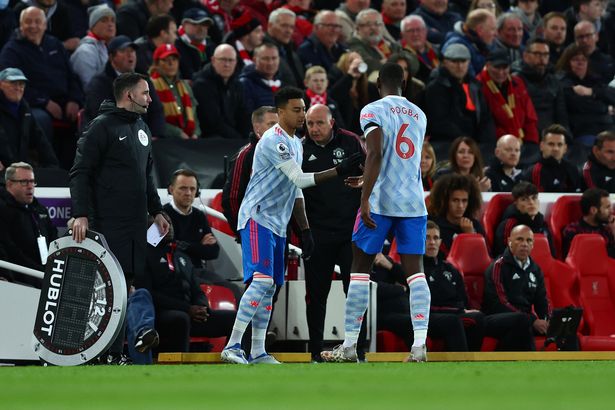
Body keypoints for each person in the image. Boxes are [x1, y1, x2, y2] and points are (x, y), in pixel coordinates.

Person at [220, 87, 362, 365]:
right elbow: (300, 180)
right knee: (261, 282)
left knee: (270, 287)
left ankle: (258, 351)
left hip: (277, 225)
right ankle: (233, 345)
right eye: (297, 110)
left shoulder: (296, 143)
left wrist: (305, 229)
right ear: (281, 112)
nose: (302, 114)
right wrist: (338, 170)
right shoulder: (275, 141)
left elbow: (295, 192)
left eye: (303, 108)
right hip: (257, 218)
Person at [320, 63, 431, 363]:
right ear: (404, 84)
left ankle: (349, 345)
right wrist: (368, 179)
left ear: (378, 82)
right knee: (416, 273)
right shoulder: (419, 115)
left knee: (358, 269)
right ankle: (419, 345)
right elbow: (403, 159)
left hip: (381, 203)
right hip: (413, 203)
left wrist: (365, 195)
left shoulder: (372, 110)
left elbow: (377, 153)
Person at [69, 72, 170, 363]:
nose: (150, 99)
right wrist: (81, 214)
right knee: (102, 291)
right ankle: (89, 353)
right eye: (145, 93)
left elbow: (146, 177)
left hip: (135, 225)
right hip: (107, 223)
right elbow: (80, 172)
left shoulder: (142, 128)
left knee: (124, 289)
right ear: (129, 96)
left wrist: (157, 210)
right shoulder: (101, 127)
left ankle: (115, 354)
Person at [301, 103, 365, 363]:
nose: (314, 129)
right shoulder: (300, 147)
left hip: (349, 231)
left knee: (355, 293)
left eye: (319, 123)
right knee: (316, 294)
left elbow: (368, 174)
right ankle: (315, 351)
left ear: (331, 122)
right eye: (310, 124)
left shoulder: (350, 142)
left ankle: (356, 349)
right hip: (317, 232)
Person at [135, 214, 235, 353]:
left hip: (191, 313)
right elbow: (148, 294)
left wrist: (202, 306)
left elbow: (196, 288)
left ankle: (237, 358)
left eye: (169, 223)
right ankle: (178, 367)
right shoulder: (144, 257)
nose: (168, 227)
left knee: (235, 318)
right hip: (161, 315)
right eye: (161, 224)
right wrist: (187, 308)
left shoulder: (181, 255)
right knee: (180, 319)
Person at [0, 6, 83, 143]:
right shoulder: (11, 50)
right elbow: (11, 85)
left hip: (64, 101)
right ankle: (45, 162)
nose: (33, 26)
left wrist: (74, 99)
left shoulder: (55, 44)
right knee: (40, 119)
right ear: (20, 25)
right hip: (33, 104)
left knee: (90, 117)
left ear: (45, 25)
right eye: (28, 21)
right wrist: (44, 102)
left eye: (38, 21)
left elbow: (72, 76)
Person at [483, 225, 550, 351]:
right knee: (522, 322)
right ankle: (532, 367)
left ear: (533, 245)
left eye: (529, 240)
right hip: (495, 318)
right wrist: (532, 320)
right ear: (509, 242)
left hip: (523, 319)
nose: (524, 244)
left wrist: (548, 320)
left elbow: (542, 300)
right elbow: (499, 303)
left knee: (566, 330)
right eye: (519, 239)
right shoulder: (498, 266)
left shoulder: (535, 269)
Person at [85, 35, 166, 138]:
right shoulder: (100, 83)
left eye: (132, 51)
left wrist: (156, 135)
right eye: (123, 51)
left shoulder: (144, 80)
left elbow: (156, 110)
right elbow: (102, 117)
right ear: (111, 57)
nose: (130, 55)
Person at [423, 220, 485, 351]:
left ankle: (473, 361)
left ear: (440, 242)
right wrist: (459, 311)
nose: (432, 242)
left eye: (435, 238)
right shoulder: (416, 268)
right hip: (427, 317)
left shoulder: (451, 269)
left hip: (453, 313)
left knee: (478, 317)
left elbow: (462, 300)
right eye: (427, 238)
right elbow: (429, 305)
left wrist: (463, 310)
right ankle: (462, 363)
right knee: (452, 321)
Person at [221, 106, 279, 238]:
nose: (277, 129)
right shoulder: (246, 155)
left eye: (279, 124)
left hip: (280, 230)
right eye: (271, 124)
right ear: (257, 127)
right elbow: (232, 198)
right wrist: (242, 230)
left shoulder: (284, 153)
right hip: (256, 231)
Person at [424, 43, 495, 143]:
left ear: (469, 62)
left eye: (463, 61)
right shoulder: (436, 87)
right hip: (447, 144)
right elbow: (440, 122)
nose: (460, 66)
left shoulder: (475, 86)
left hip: (474, 145)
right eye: (454, 61)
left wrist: (484, 142)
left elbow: (485, 118)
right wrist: (466, 141)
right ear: (444, 62)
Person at [0, 162, 57, 287]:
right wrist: (39, 272)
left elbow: (54, 238)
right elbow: (11, 251)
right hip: (19, 277)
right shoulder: (3, 210)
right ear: (9, 184)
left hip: (44, 274)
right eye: (24, 182)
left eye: (32, 181)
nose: (30, 186)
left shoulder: (40, 209)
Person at [556, 44, 615, 146]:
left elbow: (611, 94)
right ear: (567, 62)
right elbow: (579, 106)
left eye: (584, 59)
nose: (580, 63)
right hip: (584, 131)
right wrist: (604, 106)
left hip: (607, 128)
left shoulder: (594, 80)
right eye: (575, 59)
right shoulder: (563, 83)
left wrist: (591, 92)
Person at [477, 48, 539, 146]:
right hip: (496, 144)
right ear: (488, 65)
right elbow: (486, 123)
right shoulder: (478, 86)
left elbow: (530, 116)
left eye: (505, 67)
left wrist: (532, 142)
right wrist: (509, 142)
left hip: (523, 143)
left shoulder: (518, 83)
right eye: (497, 67)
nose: (501, 72)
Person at [0, 67, 58, 170]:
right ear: (1, 84)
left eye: (21, 84)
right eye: (13, 83)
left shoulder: (24, 109)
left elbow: (41, 140)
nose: (18, 88)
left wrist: (52, 166)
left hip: (17, 170)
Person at [512, 37, 570, 135]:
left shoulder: (554, 82)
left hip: (550, 135)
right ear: (525, 56)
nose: (542, 58)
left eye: (545, 55)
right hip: (525, 135)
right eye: (537, 54)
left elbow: (561, 115)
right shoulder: (515, 80)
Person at [192, 44, 250, 139]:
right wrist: (238, 140)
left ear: (235, 62)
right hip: (210, 139)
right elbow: (213, 123)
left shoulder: (237, 85)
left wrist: (247, 138)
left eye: (230, 60)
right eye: (223, 60)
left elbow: (244, 115)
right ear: (213, 61)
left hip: (233, 137)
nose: (227, 64)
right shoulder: (201, 85)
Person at [149, 43, 200, 140]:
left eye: (174, 59)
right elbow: (152, 117)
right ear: (156, 64)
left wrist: (195, 133)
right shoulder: (150, 85)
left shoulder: (185, 85)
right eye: (165, 60)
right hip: (165, 142)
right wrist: (177, 133)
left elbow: (194, 114)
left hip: (189, 141)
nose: (171, 63)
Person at [428, 173, 486, 256]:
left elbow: (483, 257)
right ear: (445, 201)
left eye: (464, 201)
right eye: (455, 200)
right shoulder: (434, 225)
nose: (460, 206)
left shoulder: (475, 226)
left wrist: (471, 235)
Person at [493, 181, 552, 256]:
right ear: (516, 204)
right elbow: (504, 257)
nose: (531, 202)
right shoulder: (508, 226)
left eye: (534, 198)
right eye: (524, 199)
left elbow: (552, 256)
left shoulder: (543, 224)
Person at [329, 51, 380, 135]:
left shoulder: (370, 88)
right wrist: (349, 76)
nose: (356, 65)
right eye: (351, 61)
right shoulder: (336, 82)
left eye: (359, 62)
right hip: (342, 134)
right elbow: (333, 97)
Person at [522, 124, 581, 192]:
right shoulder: (532, 172)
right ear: (541, 146)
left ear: (565, 148)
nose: (556, 148)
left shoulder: (573, 169)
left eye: (559, 144)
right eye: (551, 144)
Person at [69, 4, 116, 90]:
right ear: (93, 25)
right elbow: (90, 88)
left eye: (113, 20)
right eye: (104, 20)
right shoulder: (85, 52)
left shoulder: (106, 47)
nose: (110, 24)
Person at [441, 9, 497, 77]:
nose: (496, 34)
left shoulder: (483, 44)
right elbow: (469, 82)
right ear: (480, 30)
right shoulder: (457, 46)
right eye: (493, 29)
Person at [348, 9, 402, 77]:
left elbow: (403, 58)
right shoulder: (354, 43)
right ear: (358, 28)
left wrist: (384, 62)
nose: (373, 28)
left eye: (377, 24)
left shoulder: (386, 42)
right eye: (368, 24)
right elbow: (368, 65)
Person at [562, 188, 615, 258]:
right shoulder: (573, 231)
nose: (611, 211)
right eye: (607, 207)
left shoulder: (608, 230)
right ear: (593, 210)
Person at [264, 8, 305, 88]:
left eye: (291, 27)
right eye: (284, 26)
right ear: (270, 25)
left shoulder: (291, 52)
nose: (289, 31)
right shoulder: (262, 51)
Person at [298, 10, 348, 74]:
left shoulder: (343, 49)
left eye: (337, 26)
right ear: (316, 28)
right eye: (330, 26)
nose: (334, 30)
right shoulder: (306, 50)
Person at [239, 42, 282, 115]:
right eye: (265, 58)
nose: (270, 63)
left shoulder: (283, 84)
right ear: (255, 60)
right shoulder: (245, 84)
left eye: (274, 58)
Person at [175, 8, 215, 81]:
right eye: (195, 24)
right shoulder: (176, 47)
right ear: (184, 25)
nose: (201, 28)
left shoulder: (211, 46)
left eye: (204, 24)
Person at [400, 14, 440, 84]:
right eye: (410, 30)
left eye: (418, 30)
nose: (415, 34)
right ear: (402, 34)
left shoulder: (437, 50)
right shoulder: (399, 54)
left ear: (425, 31)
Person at [573, 21, 615, 85]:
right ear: (575, 40)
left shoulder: (608, 62)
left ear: (596, 36)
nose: (584, 40)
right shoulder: (570, 61)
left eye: (588, 35)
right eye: (580, 37)